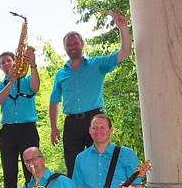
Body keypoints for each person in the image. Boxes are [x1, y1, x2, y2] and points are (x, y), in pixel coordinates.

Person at [49, 10, 132, 177]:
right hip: (71, 123)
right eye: (69, 45)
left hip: (95, 120)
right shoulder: (60, 74)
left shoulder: (97, 64)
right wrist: (53, 127)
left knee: (102, 164)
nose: (72, 47)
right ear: (65, 48)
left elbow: (124, 54)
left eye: (75, 43)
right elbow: (54, 101)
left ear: (82, 44)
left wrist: (123, 28)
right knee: (73, 167)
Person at [0, 48, 40, 188]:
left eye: (8, 60)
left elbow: (36, 87)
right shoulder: (0, 84)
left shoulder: (27, 80)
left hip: (28, 128)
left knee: (32, 170)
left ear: (15, 62)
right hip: (8, 131)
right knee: (9, 173)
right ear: (0, 66)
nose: (6, 64)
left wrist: (33, 65)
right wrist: (11, 81)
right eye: (3, 62)